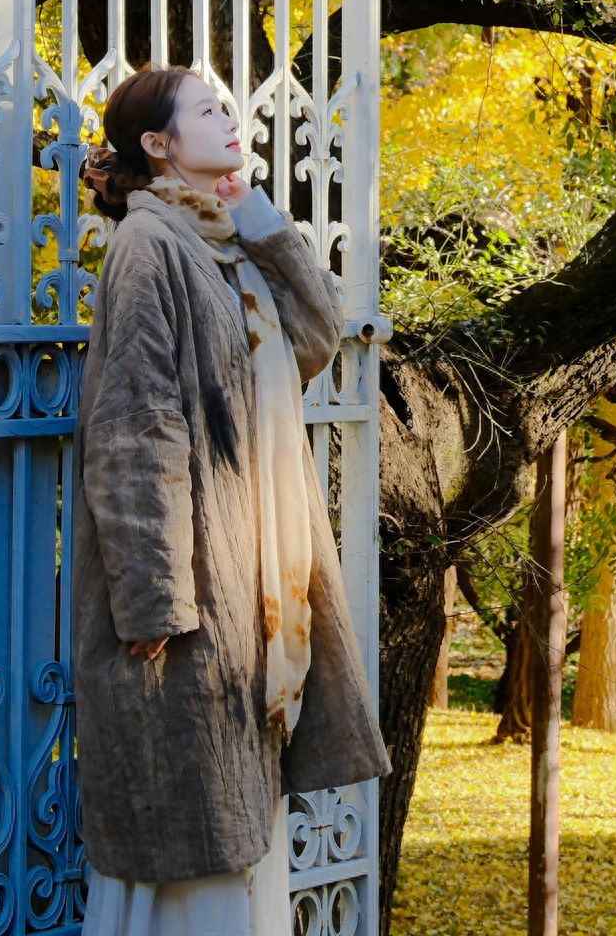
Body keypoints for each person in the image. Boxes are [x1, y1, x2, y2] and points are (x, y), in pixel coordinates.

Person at [73, 65, 390, 936]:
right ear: (158, 144)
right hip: (188, 602)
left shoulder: (220, 242)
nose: (229, 115)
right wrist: (153, 600)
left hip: (253, 584)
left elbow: (319, 334)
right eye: (206, 109)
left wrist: (255, 212)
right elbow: (136, 428)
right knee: (189, 840)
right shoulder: (151, 247)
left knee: (235, 831)